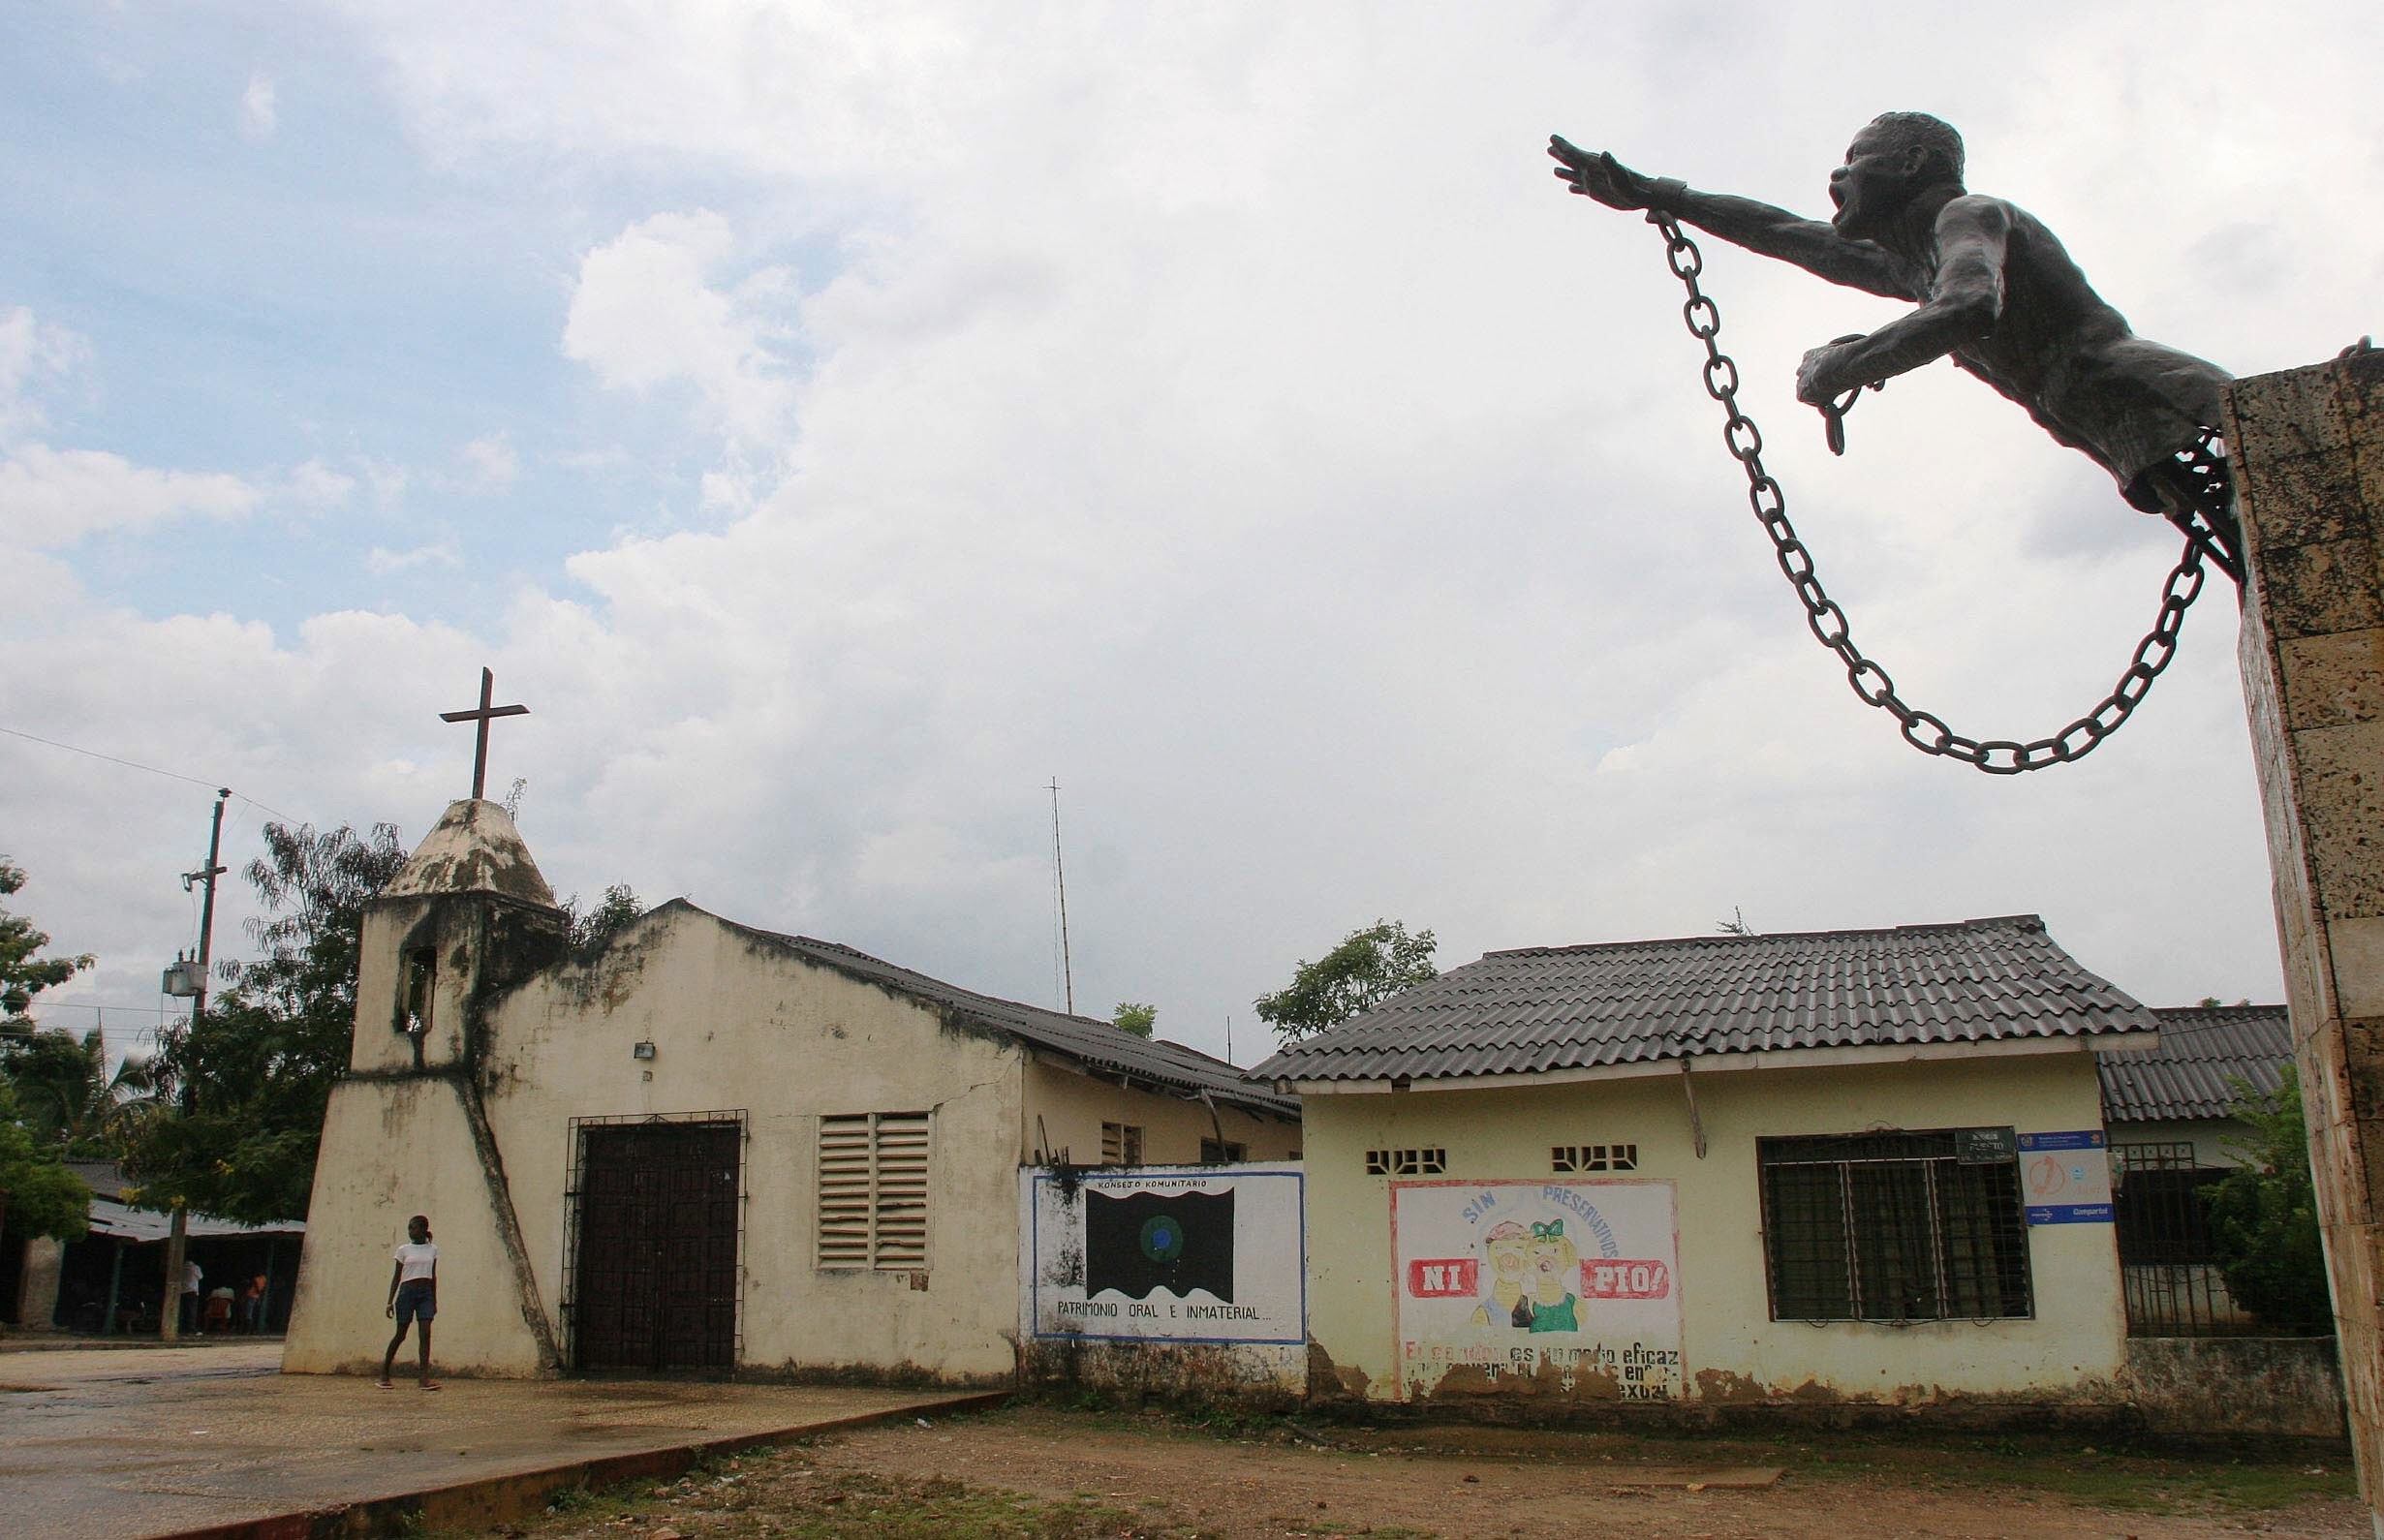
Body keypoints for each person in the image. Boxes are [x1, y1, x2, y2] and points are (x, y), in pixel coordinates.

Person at [1547, 114, 2235, 548]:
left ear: (1909, 166)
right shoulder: (1915, 266)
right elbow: (1787, 233)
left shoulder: (1968, 216)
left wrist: (1838, 368)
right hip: (2133, 435)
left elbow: (1968, 308)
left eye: (1855, 157)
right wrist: (1659, 195)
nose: (1837, 173)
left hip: (2174, 408)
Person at [381, 1215, 440, 1390]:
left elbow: (433, 1275)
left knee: (425, 1334)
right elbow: (396, 1276)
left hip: (426, 1293)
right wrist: (389, 1301)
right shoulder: (403, 1250)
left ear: (423, 1229)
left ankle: (423, 1378)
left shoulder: (432, 1250)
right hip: (407, 1293)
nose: (410, 1231)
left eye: (413, 1228)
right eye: (409, 1228)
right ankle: (384, 1372)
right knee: (401, 1334)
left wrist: (434, 1300)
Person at [180, 1258, 203, 1335]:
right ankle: (191, 1328)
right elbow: (200, 1277)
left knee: (183, 1310)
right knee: (192, 1311)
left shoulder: (181, 1267)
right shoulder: (195, 1267)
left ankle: (182, 1328)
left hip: (182, 1290)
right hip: (192, 1291)